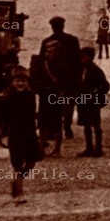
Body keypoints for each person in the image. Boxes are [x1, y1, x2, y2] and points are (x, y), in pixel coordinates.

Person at [36, 15, 82, 143]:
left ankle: (52, 129)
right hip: (69, 78)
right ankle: (67, 127)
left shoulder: (46, 41)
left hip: (52, 80)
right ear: (63, 25)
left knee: (52, 105)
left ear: (52, 27)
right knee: (68, 104)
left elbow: (41, 61)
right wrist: (77, 77)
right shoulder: (72, 40)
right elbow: (78, 61)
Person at [1, 63, 43, 199]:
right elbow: (4, 114)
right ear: (13, 82)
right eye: (18, 81)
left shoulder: (30, 95)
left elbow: (33, 113)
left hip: (29, 132)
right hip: (15, 133)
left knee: (31, 162)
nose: (20, 83)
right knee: (17, 164)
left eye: (23, 81)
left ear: (27, 82)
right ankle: (19, 192)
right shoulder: (9, 96)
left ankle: (17, 181)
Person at [76, 46, 109, 157]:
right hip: (83, 101)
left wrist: (94, 94)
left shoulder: (96, 70)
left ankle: (98, 148)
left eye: (84, 57)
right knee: (86, 125)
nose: (82, 59)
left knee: (96, 125)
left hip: (92, 102)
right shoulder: (82, 69)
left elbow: (105, 86)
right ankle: (89, 147)